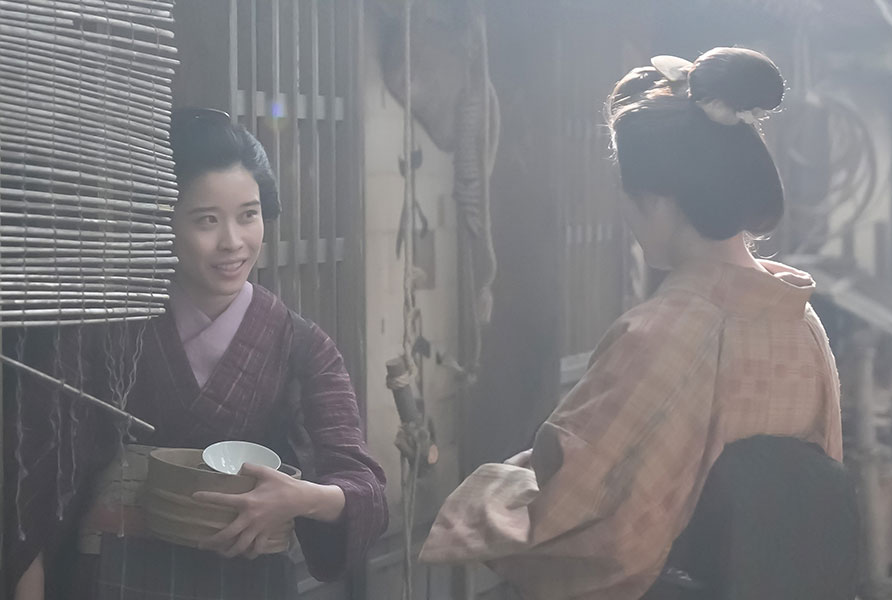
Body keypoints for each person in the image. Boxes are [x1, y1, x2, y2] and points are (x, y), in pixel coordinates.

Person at [419, 47, 843, 600]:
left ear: (658, 201)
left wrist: (487, 492)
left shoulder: (662, 333)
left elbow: (578, 520)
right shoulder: (802, 319)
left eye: (628, 193)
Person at [6, 108, 388, 600]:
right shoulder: (106, 331)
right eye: (206, 220)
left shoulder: (300, 345)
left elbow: (366, 490)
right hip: (111, 578)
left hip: (246, 583)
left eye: (248, 215)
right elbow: (30, 482)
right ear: (164, 221)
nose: (233, 242)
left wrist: (302, 498)